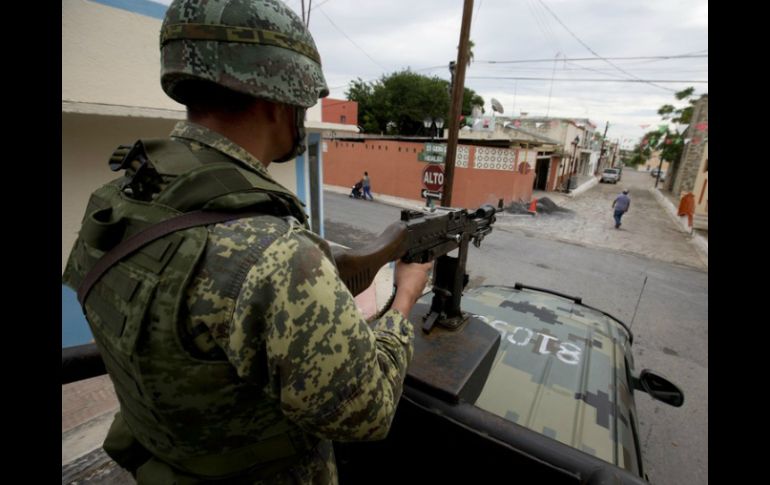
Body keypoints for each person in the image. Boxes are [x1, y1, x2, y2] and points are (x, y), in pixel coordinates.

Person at [61, 0, 432, 483]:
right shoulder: (276, 254)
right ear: (280, 97)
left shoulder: (117, 200)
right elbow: (369, 412)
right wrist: (404, 296)